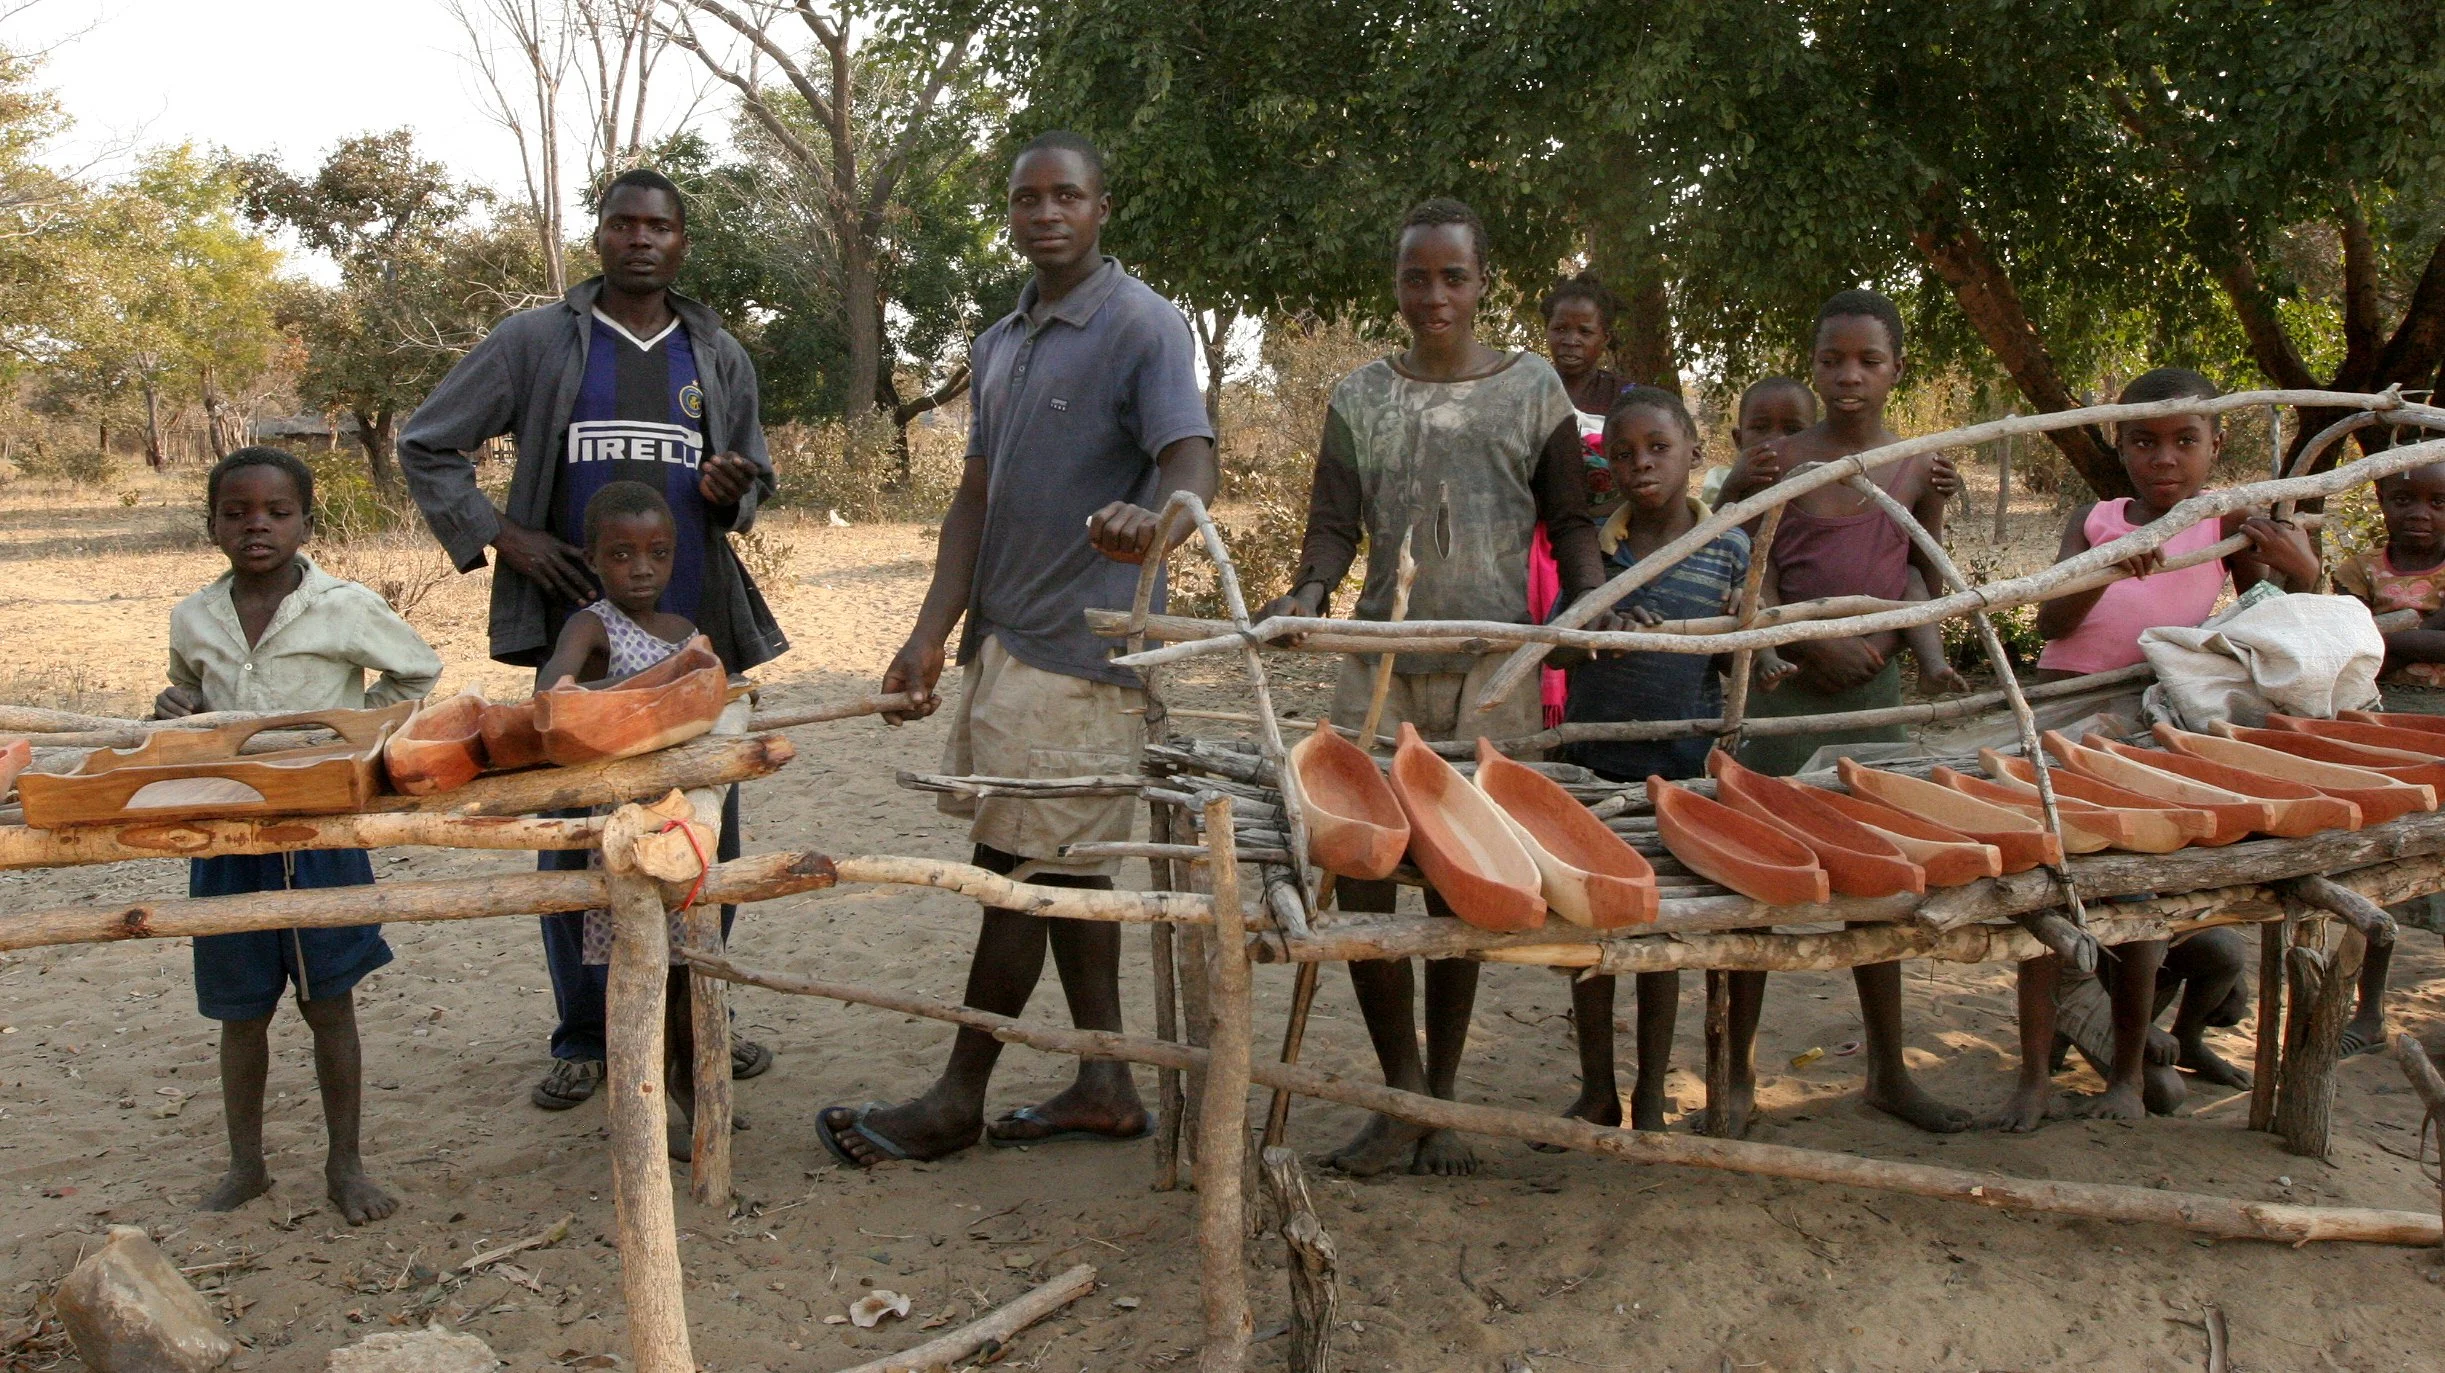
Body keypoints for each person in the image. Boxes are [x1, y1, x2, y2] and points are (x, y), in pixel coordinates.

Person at [818, 131, 1217, 1167]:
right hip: (1007, 648)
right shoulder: (1000, 343)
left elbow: (1189, 454)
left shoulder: (1142, 324)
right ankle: (1106, 1081)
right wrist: (928, 629)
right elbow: (975, 498)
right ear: (1011, 212)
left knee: (1014, 866)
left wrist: (1159, 521)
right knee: (1068, 867)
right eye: (1027, 198)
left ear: (1102, 207)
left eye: (1067, 196)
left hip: (1083, 655)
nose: (1046, 213)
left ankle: (959, 1094)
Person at [399, 167, 787, 1112]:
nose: (642, 240)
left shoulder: (716, 353)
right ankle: (583, 1033)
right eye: (624, 224)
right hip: (579, 638)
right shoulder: (538, 340)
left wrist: (736, 487)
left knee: (703, 828)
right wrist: (506, 535)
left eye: (660, 226)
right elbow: (426, 443)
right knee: (576, 831)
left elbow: (754, 479)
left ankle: (699, 1017)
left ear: (682, 242)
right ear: (599, 235)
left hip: (694, 638)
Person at [1257, 197, 1607, 1176]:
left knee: (1467, 872)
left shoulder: (1534, 389)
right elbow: (1332, 525)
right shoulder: (1361, 395)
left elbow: (1570, 518)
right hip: (1381, 665)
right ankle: (1400, 1088)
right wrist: (1310, 588)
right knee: (1365, 868)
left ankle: (1439, 1094)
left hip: (1493, 667)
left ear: (1483, 282)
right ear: (1398, 285)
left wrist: (1585, 603)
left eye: (1454, 276)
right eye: (1419, 276)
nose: (1436, 294)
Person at [2005, 367, 2320, 1124]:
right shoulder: (2093, 519)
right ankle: (2031, 1074)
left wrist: (2303, 571)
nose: (2164, 459)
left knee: (2142, 895)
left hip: (2148, 723)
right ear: (2119, 446)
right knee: (2052, 888)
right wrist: (2109, 564)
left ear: (2217, 443)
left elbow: (2269, 626)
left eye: (2184, 440)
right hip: (2063, 718)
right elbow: (2049, 624)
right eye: (2143, 441)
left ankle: (2122, 1076)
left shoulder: (2225, 523)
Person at [160, 447, 443, 1223]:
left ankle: (344, 1164)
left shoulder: (344, 607)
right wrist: (175, 712)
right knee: (239, 1010)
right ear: (212, 523)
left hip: (321, 831)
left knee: (330, 1002)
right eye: (237, 511)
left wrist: (354, 740)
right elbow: (186, 693)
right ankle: (245, 1164)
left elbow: (418, 673)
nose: (257, 525)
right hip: (225, 831)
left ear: (305, 522)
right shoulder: (194, 616)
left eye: (277, 512)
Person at [1724, 289, 1968, 1135]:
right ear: (1814, 362)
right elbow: (1755, 570)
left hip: (1872, 688)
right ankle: (1732, 1074)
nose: (1848, 375)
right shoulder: (1783, 461)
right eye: (1833, 359)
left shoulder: (1916, 464)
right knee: (1750, 867)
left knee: (1879, 875)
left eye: (1868, 360)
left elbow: (1921, 573)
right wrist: (1804, 641)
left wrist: (1890, 648)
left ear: (1897, 368)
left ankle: (1888, 1069)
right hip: (1782, 686)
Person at [1549, 386, 1749, 1135]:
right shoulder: (1595, 551)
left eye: (1658, 449)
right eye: (1623, 453)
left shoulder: (1727, 546)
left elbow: (1737, 654)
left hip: (1676, 770)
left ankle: (1652, 1093)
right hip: (1590, 766)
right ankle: (1597, 1086)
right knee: (1589, 931)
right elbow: (1556, 642)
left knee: (1661, 937)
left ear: (1695, 453)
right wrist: (1598, 620)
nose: (1641, 465)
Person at [540, 481, 726, 1157]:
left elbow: (710, 703)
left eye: (657, 553)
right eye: (621, 554)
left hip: (677, 824)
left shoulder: (682, 631)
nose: (641, 568)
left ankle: (686, 1091)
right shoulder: (590, 626)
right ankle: (639, 1104)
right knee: (634, 971)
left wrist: (692, 677)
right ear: (593, 558)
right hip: (617, 838)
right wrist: (654, 684)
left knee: (681, 970)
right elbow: (552, 694)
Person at [2327, 459, 2445, 1054]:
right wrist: (2415, 634)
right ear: (2380, 497)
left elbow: (2367, 640)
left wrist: (2380, 636)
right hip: (2376, 728)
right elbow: (2342, 646)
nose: (2419, 514)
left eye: (2437, 502)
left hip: (2441, 731)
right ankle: (2368, 1012)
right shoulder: (2360, 569)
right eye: (2404, 499)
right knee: (2376, 869)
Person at [1701, 376, 1815, 510]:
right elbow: (1709, 528)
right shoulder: (1721, 481)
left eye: (1793, 430)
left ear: (1815, 439)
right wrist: (1731, 489)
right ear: (1739, 439)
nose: (1777, 440)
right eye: (1760, 427)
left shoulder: (1822, 479)